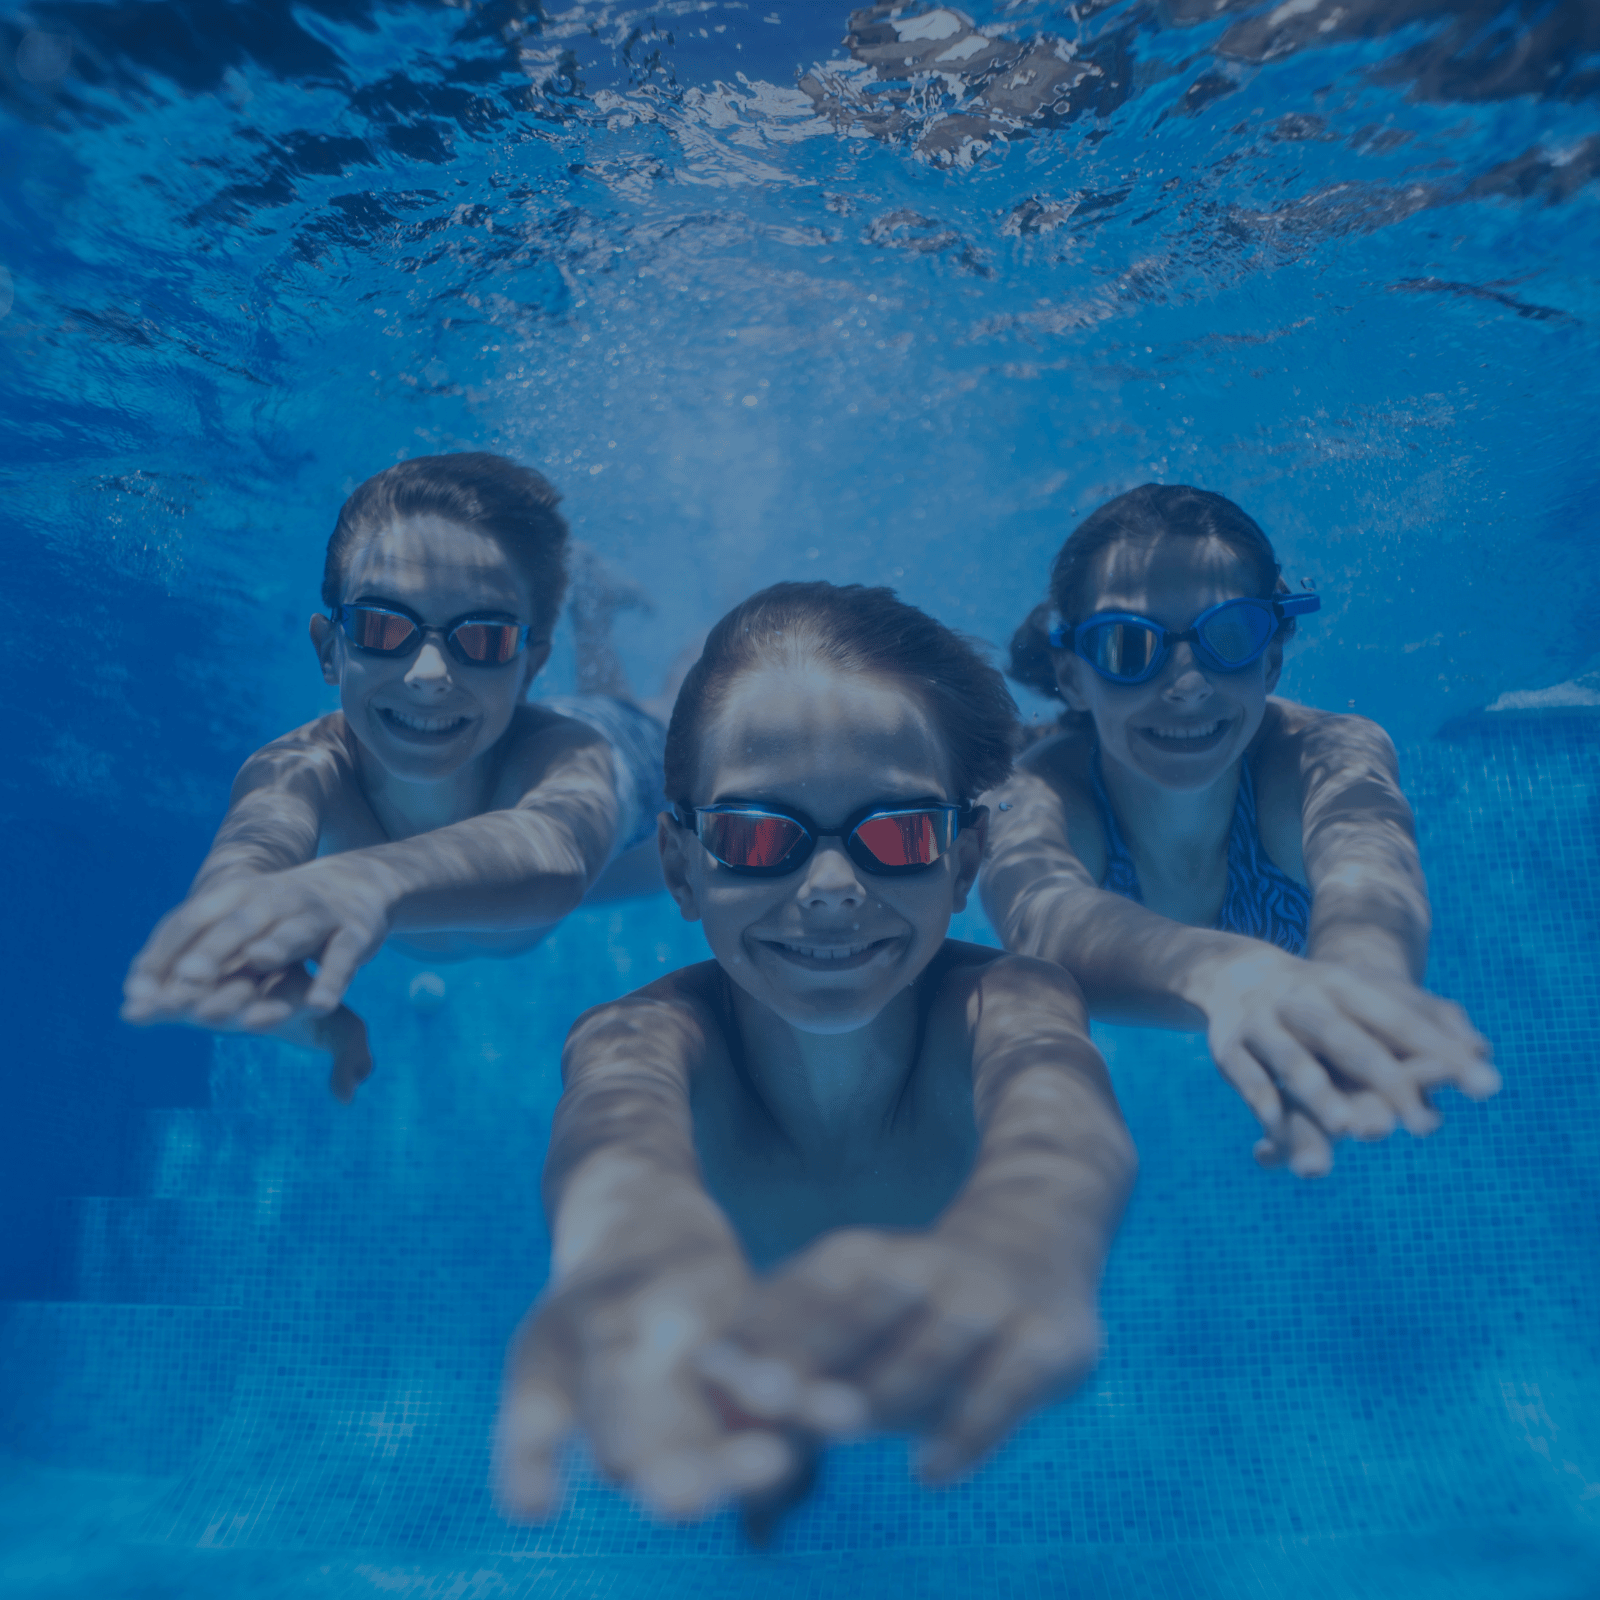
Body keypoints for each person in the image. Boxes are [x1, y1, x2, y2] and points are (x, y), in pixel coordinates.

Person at [495, 581, 1137, 1534]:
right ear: (681, 870)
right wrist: (621, 1242)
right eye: (759, 838)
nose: (832, 890)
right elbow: (614, 1129)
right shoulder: (642, 1038)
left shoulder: (1006, 1003)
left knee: (683, 730)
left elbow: (1062, 1116)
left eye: (903, 832)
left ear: (965, 863)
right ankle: (601, 622)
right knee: (637, 731)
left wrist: (1033, 1237)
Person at [982, 483, 1501, 1178]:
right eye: (1127, 646)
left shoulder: (1326, 755)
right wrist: (1229, 975)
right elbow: (1043, 923)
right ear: (1073, 678)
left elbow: (1371, 871)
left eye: (1230, 636)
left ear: (1273, 660)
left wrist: (1361, 991)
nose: (1188, 683)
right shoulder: (1038, 791)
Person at [121, 452, 672, 1100]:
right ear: (330, 650)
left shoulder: (564, 758)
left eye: (485, 638)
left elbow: (554, 856)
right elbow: (245, 869)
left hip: (633, 791)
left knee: (683, 705)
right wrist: (244, 953)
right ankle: (594, 604)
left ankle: (600, 606)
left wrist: (366, 880)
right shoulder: (300, 769)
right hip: (496, 886)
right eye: (384, 626)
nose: (429, 673)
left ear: (527, 665)